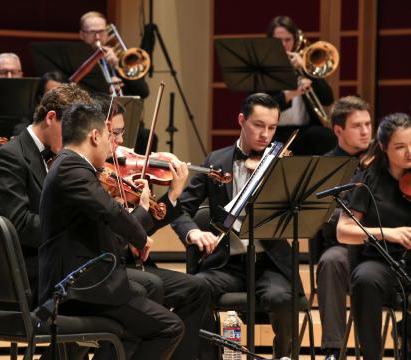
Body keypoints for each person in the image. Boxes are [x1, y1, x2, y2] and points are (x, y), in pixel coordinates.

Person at [39, 103, 184, 359]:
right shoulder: (71, 168)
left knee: (146, 290)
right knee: (170, 327)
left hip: (88, 278)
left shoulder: (71, 166)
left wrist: (138, 216)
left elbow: (105, 227)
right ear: (95, 136)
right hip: (77, 287)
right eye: (109, 136)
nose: (112, 146)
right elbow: (111, 212)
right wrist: (140, 237)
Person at [171, 93, 298, 358]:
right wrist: (193, 231)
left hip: (268, 263)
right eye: (258, 125)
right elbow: (180, 208)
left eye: (272, 128)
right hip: (226, 263)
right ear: (241, 120)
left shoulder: (281, 163)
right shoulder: (216, 161)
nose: (265, 135)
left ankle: (284, 355)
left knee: (282, 298)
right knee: (195, 289)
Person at [101, 96, 212, 360]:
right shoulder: (91, 176)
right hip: (109, 267)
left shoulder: (118, 172)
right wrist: (133, 214)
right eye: (114, 134)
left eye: (121, 133)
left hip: (133, 263)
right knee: (151, 294)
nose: (119, 143)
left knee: (198, 289)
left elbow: (147, 224)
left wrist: (172, 196)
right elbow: (118, 232)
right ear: (96, 133)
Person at [0, 83, 92, 309]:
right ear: (51, 117)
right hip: (27, 271)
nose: (75, 141)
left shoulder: (57, 157)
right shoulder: (10, 156)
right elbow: (18, 225)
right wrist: (74, 226)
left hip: (55, 264)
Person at [337, 112, 411, 360]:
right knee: (365, 279)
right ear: (383, 147)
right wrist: (386, 233)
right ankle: (371, 355)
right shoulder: (368, 180)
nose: (409, 152)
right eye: (400, 147)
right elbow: (344, 231)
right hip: (381, 262)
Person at [314, 96, 372, 360]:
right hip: (343, 249)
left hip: (382, 248)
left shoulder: (383, 163)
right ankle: (333, 351)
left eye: (368, 124)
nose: (365, 131)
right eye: (357, 126)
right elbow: (324, 217)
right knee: (330, 261)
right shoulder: (323, 167)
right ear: (338, 130)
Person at [266, 15, 336, 155]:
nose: (284, 45)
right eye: (278, 41)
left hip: (304, 132)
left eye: (288, 40)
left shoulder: (302, 65)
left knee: (327, 137)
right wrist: (291, 93)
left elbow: (328, 99)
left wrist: (306, 69)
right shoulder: (264, 70)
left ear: (295, 40)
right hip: (273, 132)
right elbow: (261, 107)